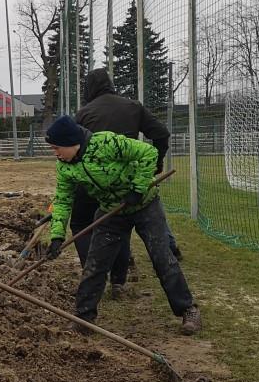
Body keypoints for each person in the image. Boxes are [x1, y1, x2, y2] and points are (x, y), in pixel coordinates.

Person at [43, 115, 202, 335]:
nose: (56, 153)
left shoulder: (106, 143)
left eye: (57, 148)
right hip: (111, 211)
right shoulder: (64, 167)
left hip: (145, 205)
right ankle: (83, 318)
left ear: (71, 142)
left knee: (161, 258)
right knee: (95, 264)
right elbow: (62, 200)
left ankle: (187, 310)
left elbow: (149, 153)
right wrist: (57, 236)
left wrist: (137, 189)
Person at [73, 68, 181, 298]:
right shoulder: (133, 107)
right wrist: (156, 162)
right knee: (118, 226)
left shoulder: (84, 113)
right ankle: (118, 283)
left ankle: (92, 275)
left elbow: (75, 150)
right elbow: (161, 134)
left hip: (92, 182)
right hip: (128, 183)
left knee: (82, 224)